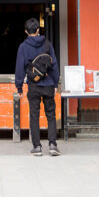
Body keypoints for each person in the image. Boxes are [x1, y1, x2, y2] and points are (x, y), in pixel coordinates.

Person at [15, 18, 60, 157]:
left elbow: (19, 67)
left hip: (33, 85)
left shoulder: (23, 46)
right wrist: (55, 82)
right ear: (38, 30)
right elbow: (54, 64)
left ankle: (37, 147)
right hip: (47, 84)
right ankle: (52, 145)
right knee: (51, 115)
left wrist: (19, 87)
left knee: (34, 116)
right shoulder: (47, 44)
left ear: (26, 32)